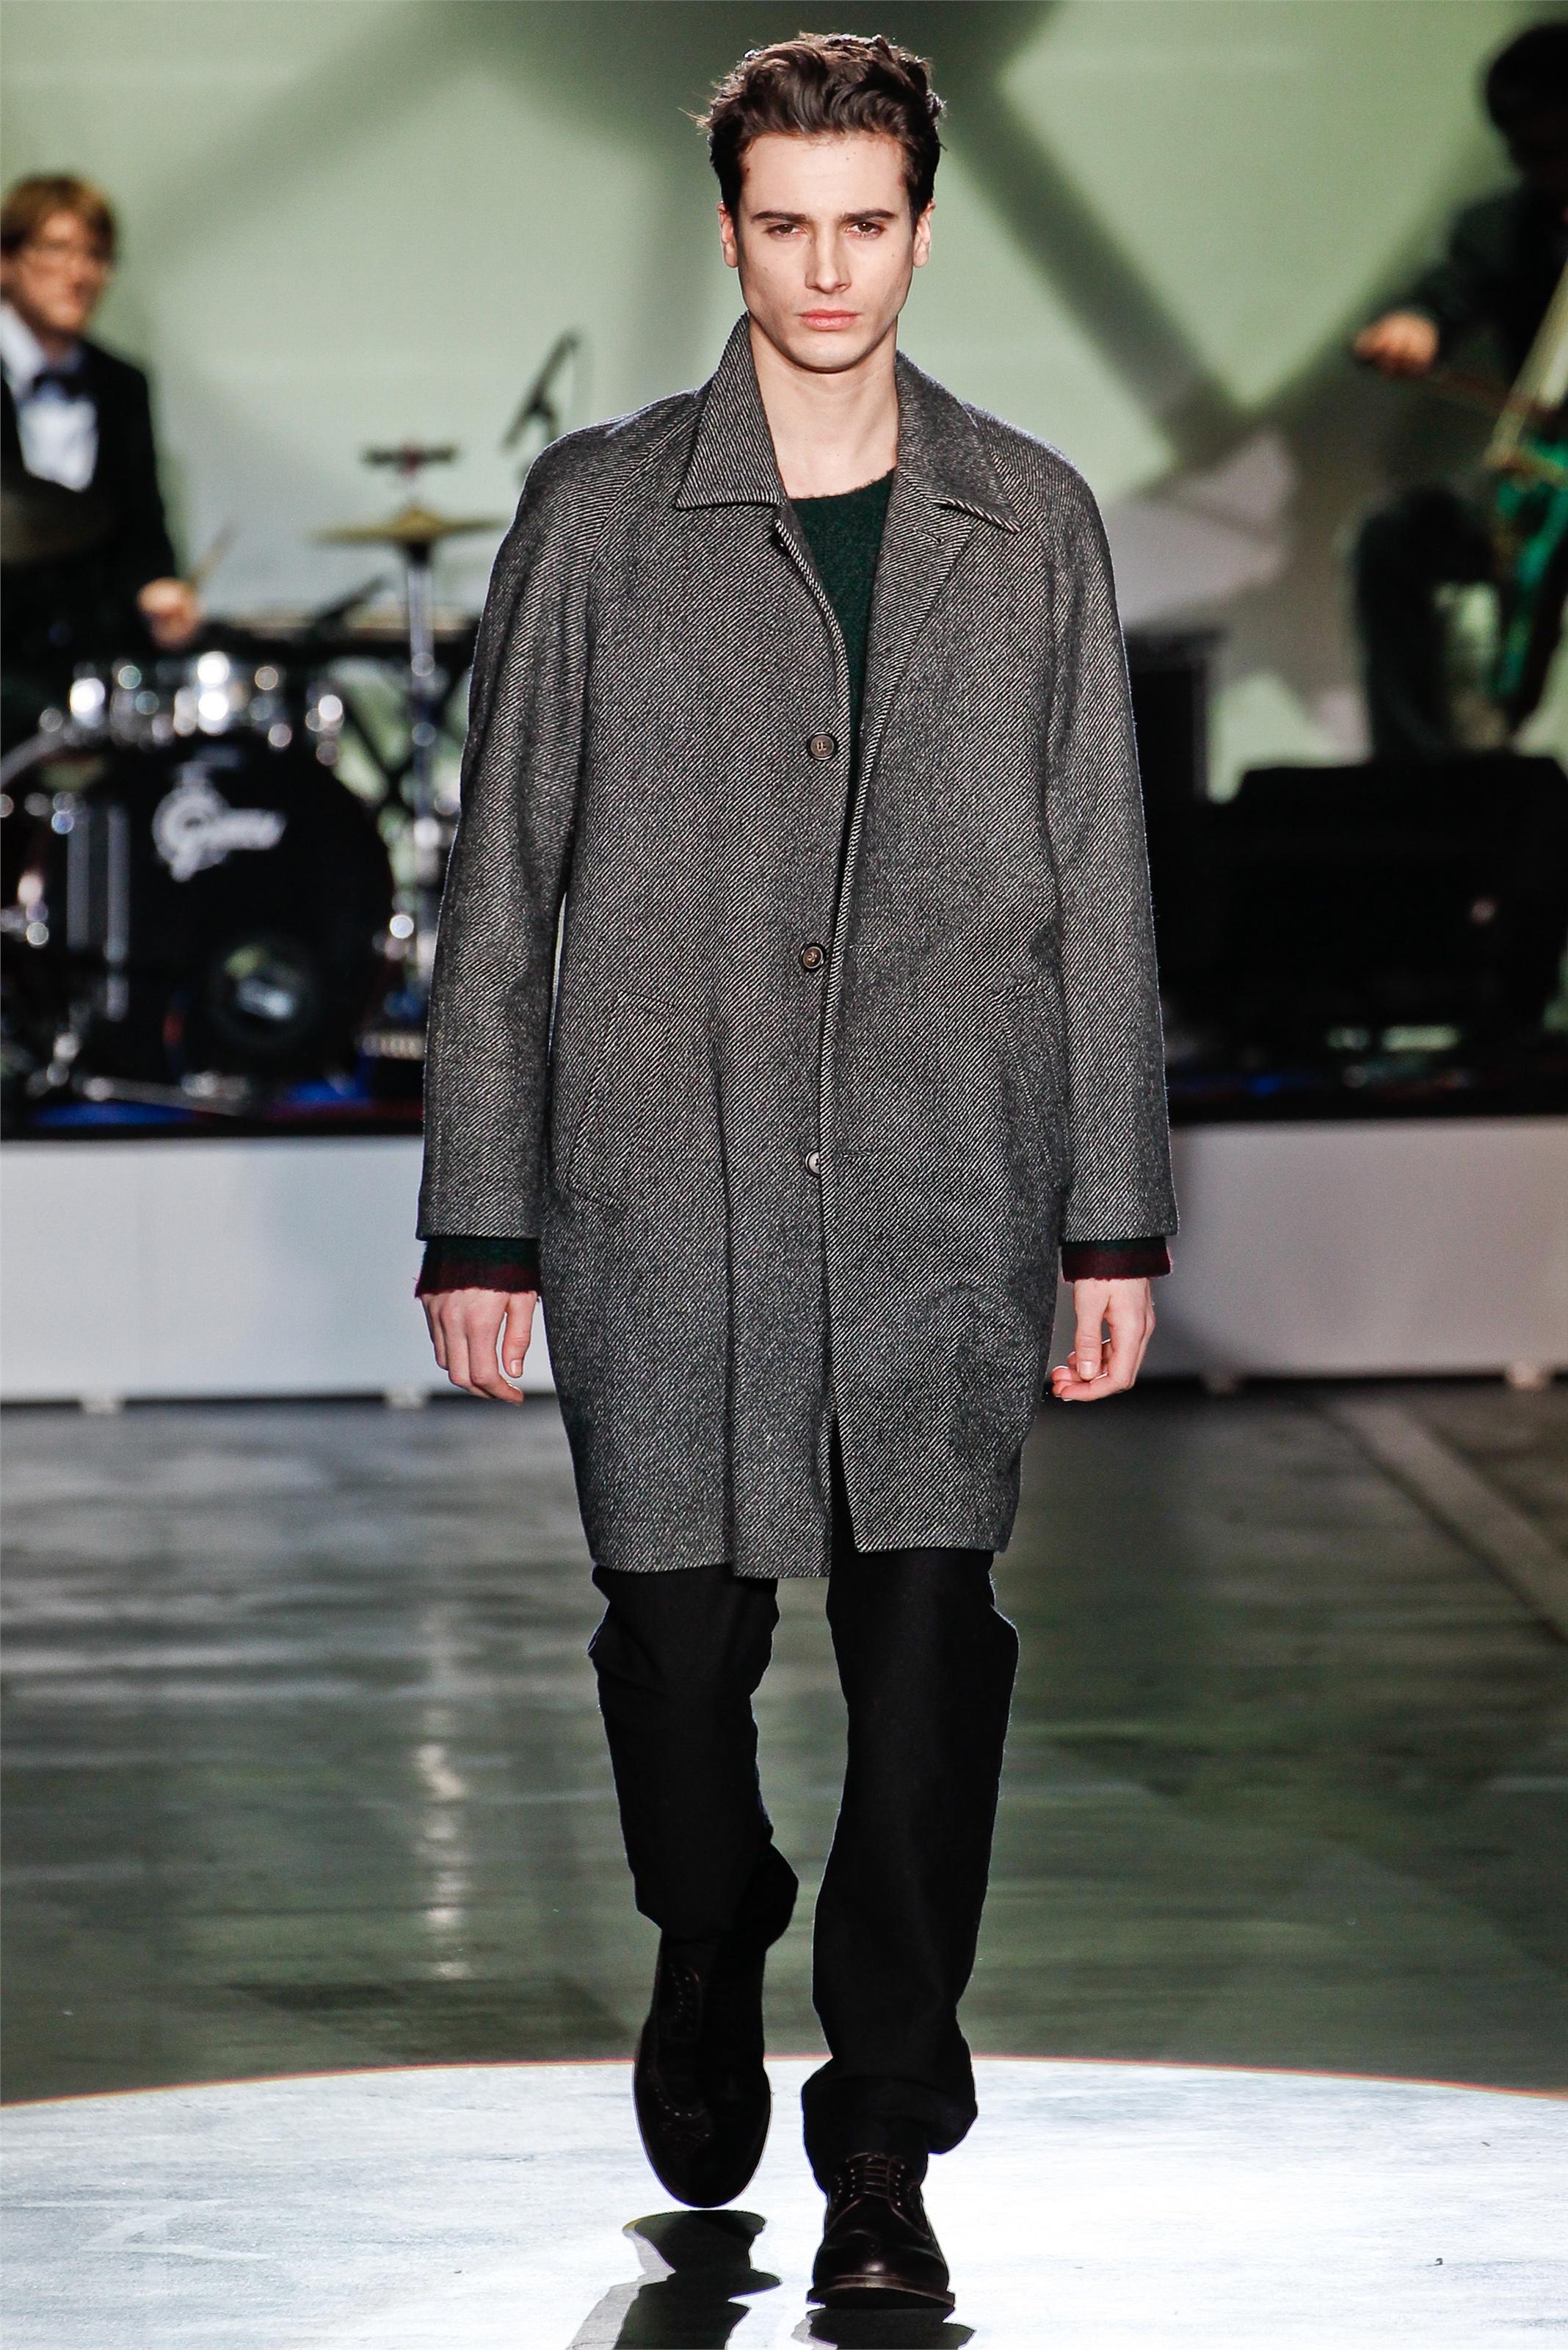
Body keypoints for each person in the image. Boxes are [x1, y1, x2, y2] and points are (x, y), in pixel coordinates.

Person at [415, 34, 1175, 2318]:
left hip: (948, 1175)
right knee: (677, 1661)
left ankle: (882, 2136)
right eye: (785, 225)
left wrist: (1113, 1208)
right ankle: (708, 1915)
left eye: (866, 224)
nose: (827, 270)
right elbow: (498, 881)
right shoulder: (598, 514)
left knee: (930, 1655)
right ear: (730, 232)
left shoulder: (1027, 522)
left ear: (921, 232)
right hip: (665, 1176)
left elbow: (1100, 882)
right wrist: (480, 1210)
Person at [1351, 21, 1568, 758]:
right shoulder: (1504, 227)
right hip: (1542, 488)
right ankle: (1418, 780)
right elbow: (1450, 290)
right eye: (1534, 155)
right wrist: (1415, 322)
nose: (1555, 174)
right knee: (1392, 539)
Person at [1, 174, 198, 744]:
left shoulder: (123, 384)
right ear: (7, 262)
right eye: (57, 249)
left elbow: (144, 530)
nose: (80, 273)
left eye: (97, 255)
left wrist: (157, 589)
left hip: (97, 672)